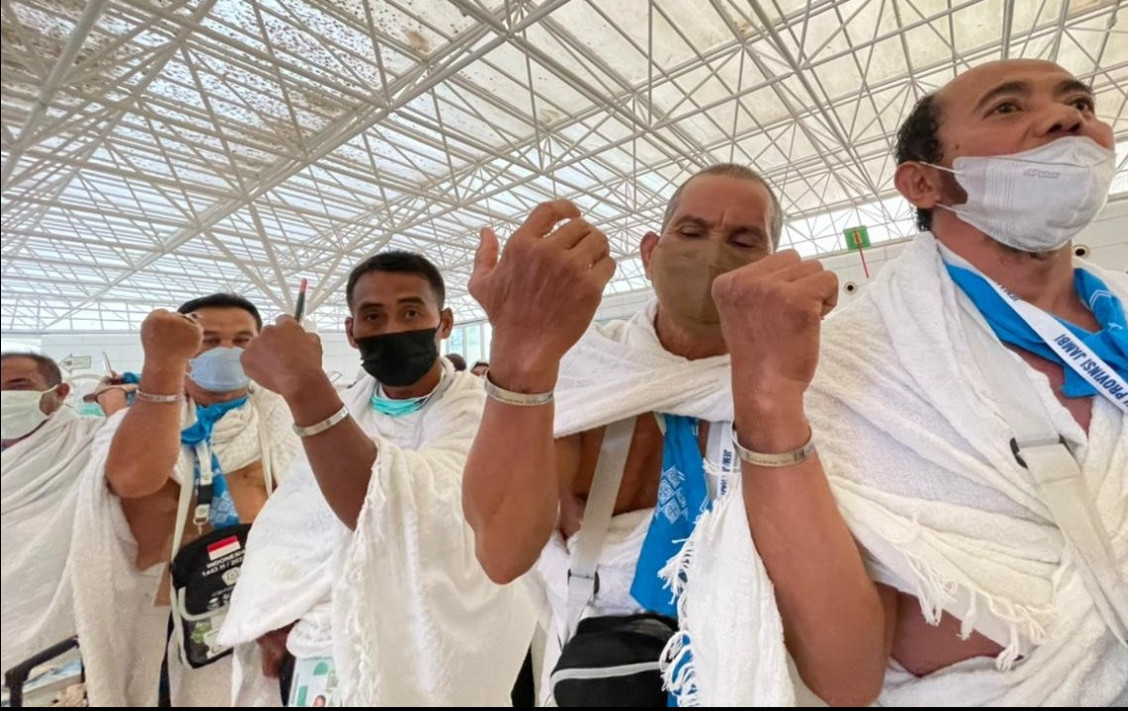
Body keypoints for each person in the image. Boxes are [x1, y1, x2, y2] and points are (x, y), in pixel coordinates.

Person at [670, 59, 1128, 706]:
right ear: (923, 182)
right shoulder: (849, 363)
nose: (1067, 119)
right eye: (1008, 107)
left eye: (1080, 103)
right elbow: (843, 676)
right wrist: (768, 400)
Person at [461, 165, 808, 704]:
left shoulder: (793, 384)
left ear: (770, 267)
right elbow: (503, 553)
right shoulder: (586, 372)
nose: (712, 253)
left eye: (743, 240)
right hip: (601, 677)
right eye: (691, 232)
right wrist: (517, 349)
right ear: (649, 253)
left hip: (758, 672)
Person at [220, 251, 534, 706]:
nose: (391, 328)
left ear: (444, 323)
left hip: (429, 659)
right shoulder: (349, 407)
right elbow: (290, 530)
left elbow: (401, 511)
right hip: (318, 650)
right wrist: (271, 612)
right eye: (372, 316)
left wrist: (305, 387)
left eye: (410, 312)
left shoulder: (478, 411)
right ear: (352, 332)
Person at [67, 293, 299, 706]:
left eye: (242, 341)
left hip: (261, 614)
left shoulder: (280, 422)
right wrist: (162, 368)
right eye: (208, 341)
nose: (227, 351)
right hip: (162, 622)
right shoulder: (134, 423)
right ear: (182, 349)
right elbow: (132, 481)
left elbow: (307, 523)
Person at [1, 353, 126, 676]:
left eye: (18, 386)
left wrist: (116, 410)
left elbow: (134, 462)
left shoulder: (93, 437)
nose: (4, 397)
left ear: (60, 393)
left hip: (61, 629)